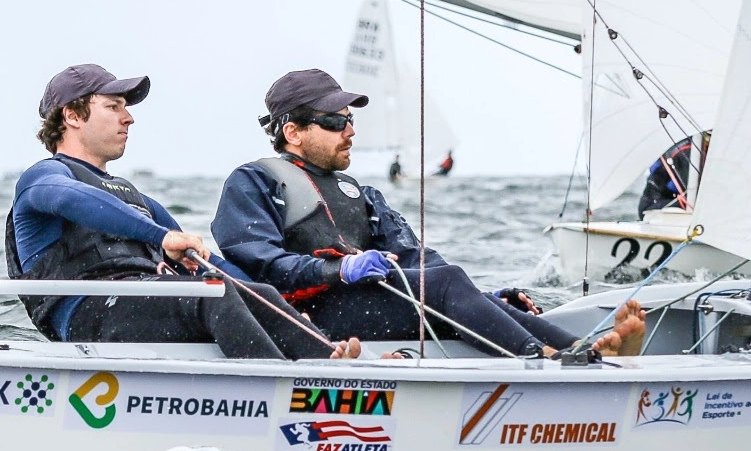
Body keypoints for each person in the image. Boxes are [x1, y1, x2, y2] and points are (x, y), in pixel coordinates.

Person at [212, 68, 646, 359]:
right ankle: (550, 359)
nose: (350, 130)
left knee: (448, 280)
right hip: (309, 315)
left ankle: (584, 349)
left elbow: (415, 259)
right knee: (445, 284)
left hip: (374, 301)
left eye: (349, 118)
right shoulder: (253, 182)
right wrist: (339, 270)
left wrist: (484, 301)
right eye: (334, 121)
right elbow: (258, 262)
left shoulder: (358, 192)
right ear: (293, 132)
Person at [4, 63, 363, 360]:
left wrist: (281, 312)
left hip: (144, 300)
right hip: (88, 316)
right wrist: (161, 237)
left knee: (255, 293)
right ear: (72, 116)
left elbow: (207, 262)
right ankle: (291, 389)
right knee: (215, 294)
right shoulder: (44, 177)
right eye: (113, 107)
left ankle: (330, 358)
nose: (128, 118)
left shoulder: (134, 197)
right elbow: (70, 199)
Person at [638, 130, 711, 218]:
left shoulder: (698, 145)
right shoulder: (688, 151)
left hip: (676, 201)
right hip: (651, 209)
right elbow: (696, 196)